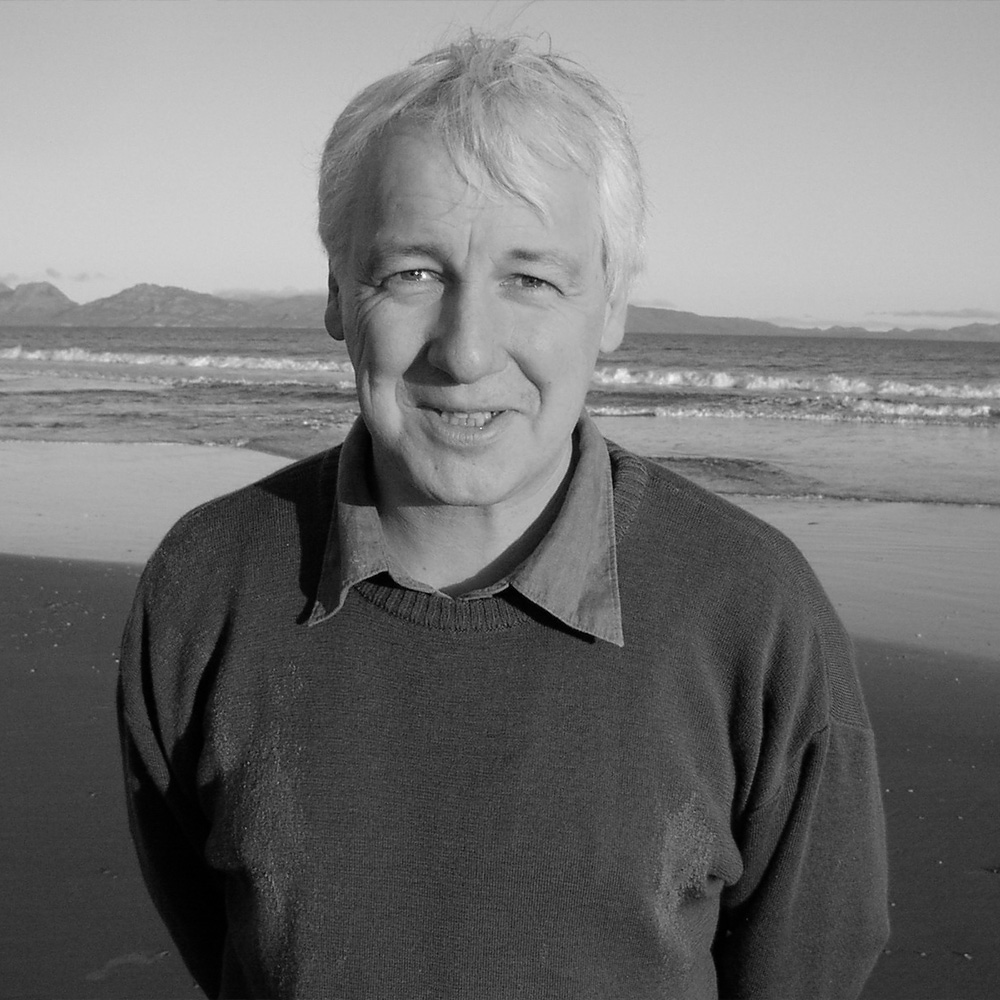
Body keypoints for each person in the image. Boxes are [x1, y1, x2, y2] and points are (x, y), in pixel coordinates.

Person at [118, 33, 889, 999]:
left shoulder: (753, 611)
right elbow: (222, 932)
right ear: (335, 294)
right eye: (412, 273)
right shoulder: (207, 585)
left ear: (610, 304)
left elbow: (807, 968)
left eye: (532, 278)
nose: (467, 349)